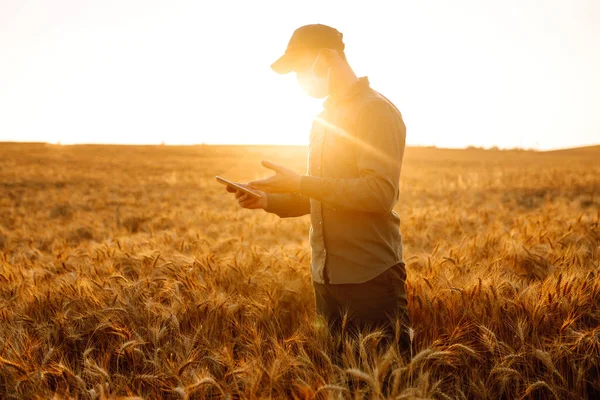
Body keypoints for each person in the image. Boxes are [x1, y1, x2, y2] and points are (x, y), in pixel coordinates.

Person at [225, 24, 410, 360]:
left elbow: (378, 194)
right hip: (326, 279)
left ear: (325, 58)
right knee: (341, 382)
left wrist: (301, 182)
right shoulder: (323, 118)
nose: (298, 78)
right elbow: (326, 195)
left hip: (370, 278)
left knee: (386, 384)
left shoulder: (375, 111)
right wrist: (268, 200)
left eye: (300, 67)